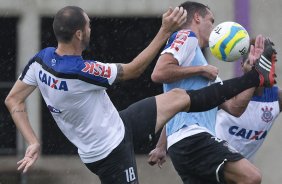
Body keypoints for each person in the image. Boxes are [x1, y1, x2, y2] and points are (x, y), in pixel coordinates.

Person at [5, 5, 275, 184]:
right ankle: (253, 77)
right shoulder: (81, 70)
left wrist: (32, 142)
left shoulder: (42, 60)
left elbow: (13, 99)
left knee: (180, 97)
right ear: (79, 34)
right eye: (88, 25)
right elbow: (137, 70)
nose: (91, 28)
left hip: (120, 124)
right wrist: (164, 31)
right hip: (109, 151)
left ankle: (253, 77)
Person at [148, 1, 277, 184]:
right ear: (197, 18)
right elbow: (158, 73)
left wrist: (252, 75)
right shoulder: (187, 37)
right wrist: (200, 70)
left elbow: (234, 108)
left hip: (184, 145)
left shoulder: (204, 68)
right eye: (211, 20)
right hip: (193, 138)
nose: (214, 27)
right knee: (251, 176)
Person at [215, 38, 282, 162]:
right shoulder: (224, 91)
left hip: (240, 170)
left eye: (263, 65)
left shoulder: (277, 97)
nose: (259, 70)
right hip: (211, 162)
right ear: (242, 66)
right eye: (253, 64)